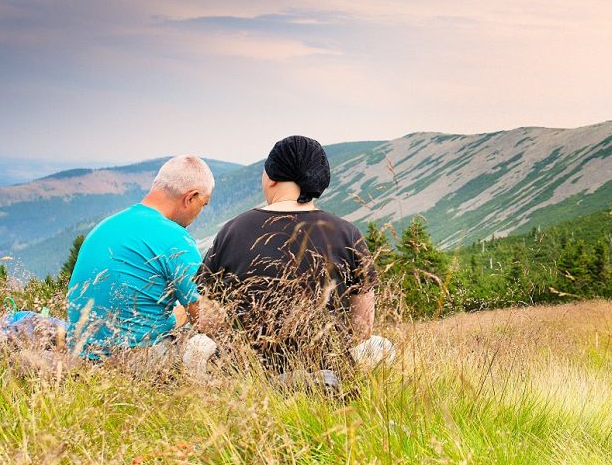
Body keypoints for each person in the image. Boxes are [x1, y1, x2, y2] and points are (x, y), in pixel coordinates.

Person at [200, 135, 378, 371]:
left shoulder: (234, 229)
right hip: (327, 372)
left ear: (272, 177)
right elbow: (363, 328)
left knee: (197, 345)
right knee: (379, 346)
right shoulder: (348, 233)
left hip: (249, 373)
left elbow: (206, 316)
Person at [66, 155, 216, 360]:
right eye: (203, 204)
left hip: (79, 354)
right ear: (190, 198)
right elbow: (204, 318)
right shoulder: (175, 238)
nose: (200, 212)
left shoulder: (106, 226)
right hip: (135, 360)